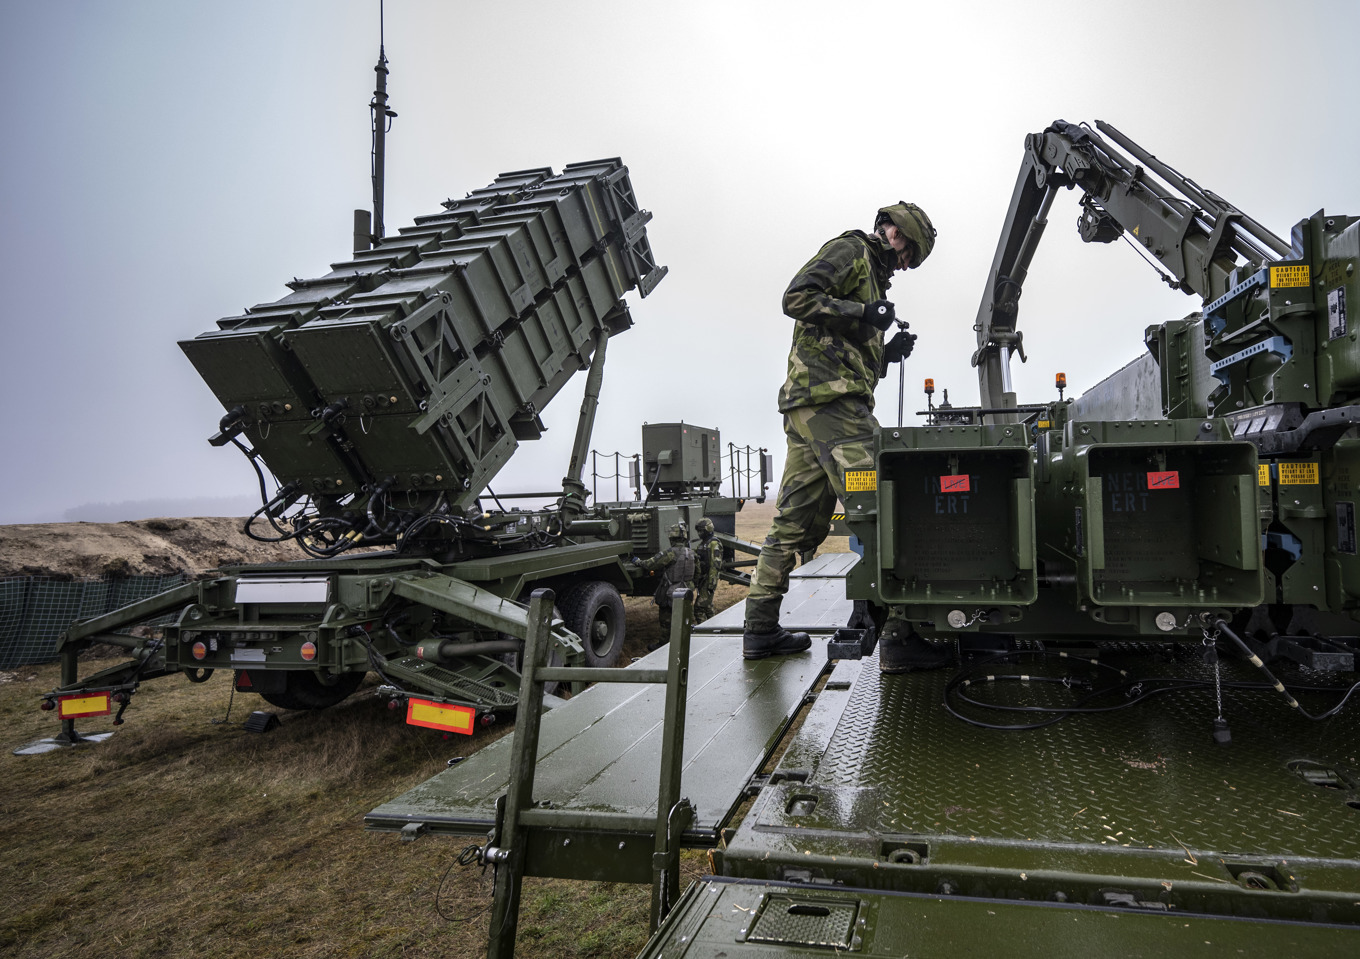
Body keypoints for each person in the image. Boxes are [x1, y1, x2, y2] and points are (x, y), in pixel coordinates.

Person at [742, 201, 948, 672]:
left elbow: (843, 348)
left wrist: (887, 353)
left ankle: (759, 629)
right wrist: (864, 310)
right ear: (892, 231)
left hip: (812, 406)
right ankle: (899, 634)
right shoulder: (852, 250)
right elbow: (796, 297)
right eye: (907, 251)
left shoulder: (870, 273)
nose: (906, 263)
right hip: (833, 406)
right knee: (883, 505)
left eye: (912, 259)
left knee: (791, 520)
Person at [630, 522, 696, 647]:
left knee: (666, 621)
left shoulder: (669, 553)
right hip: (687, 591)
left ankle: (664, 645)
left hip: (671, 592)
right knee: (684, 619)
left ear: (671, 538)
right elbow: (697, 573)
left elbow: (650, 564)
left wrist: (637, 561)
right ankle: (685, 644)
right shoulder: (692, 554)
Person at [693, 517, 722, 622]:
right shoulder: (703, 544)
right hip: (703, 580)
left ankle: (704, 630)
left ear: (707, 529)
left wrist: (711, 583)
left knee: (699, 608)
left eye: (701, 531)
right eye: (698, 531)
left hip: (708, 580)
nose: (699, 533)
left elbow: (715, 565)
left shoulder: (713, 544)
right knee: (708, 607)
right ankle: (715, 628)